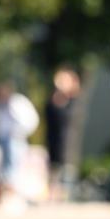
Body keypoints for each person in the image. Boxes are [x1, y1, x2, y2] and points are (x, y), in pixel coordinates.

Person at [0, 82, 39, 203]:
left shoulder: (17, 103)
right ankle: (5, 192)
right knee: (3, 167)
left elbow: (30, 120)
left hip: (15, 139)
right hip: (3, 139)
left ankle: (14, 193)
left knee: (15, 166)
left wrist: (18, 132)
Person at [45, 67, 80, 200]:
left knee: (66, 168)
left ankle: (64, 194)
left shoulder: (73, 102)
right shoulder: (53, 100)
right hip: (54, 140)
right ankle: (53, 193)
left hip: (67, 141)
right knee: (54, 167)